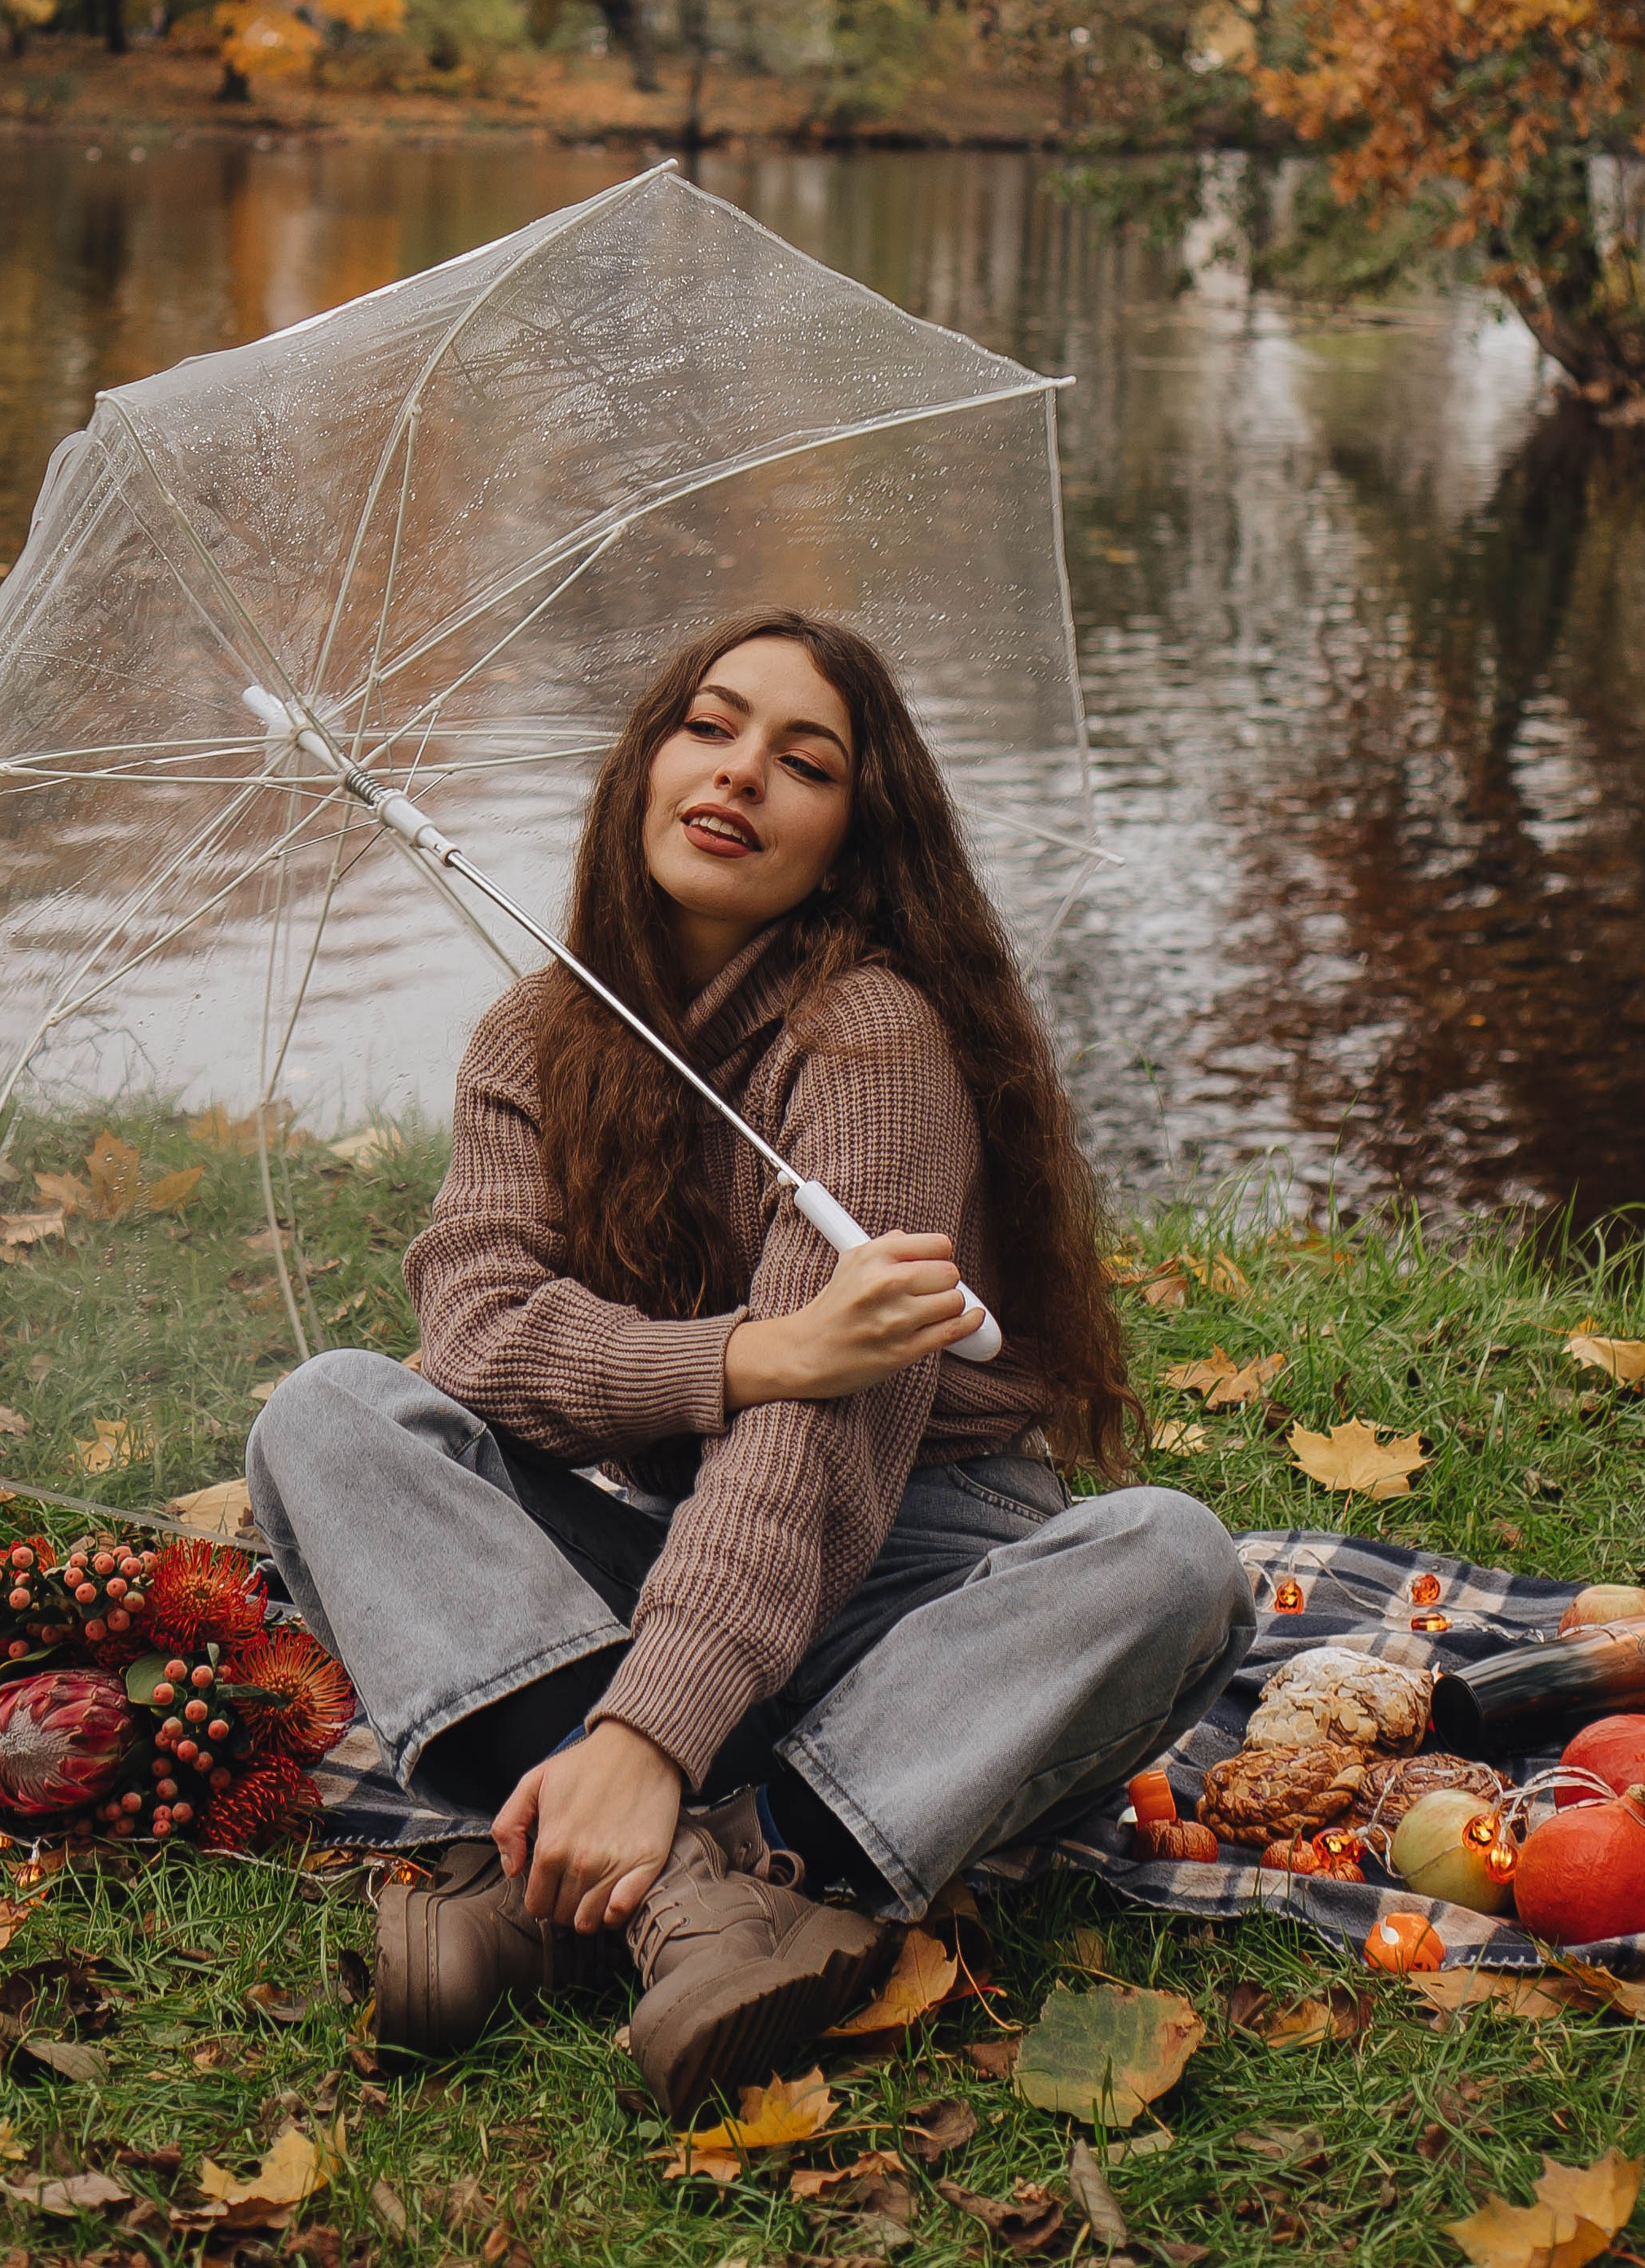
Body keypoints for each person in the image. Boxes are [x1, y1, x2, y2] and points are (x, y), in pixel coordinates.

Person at [248, 610, 1253, 2114]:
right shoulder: (534, 1038)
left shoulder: (870, 1038)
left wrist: (654, 1732)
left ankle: (717, 1853)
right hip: (663, 1555)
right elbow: (477, 1341)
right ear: (647, 764)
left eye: (804, 761)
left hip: (916, 1580)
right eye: (708, 728)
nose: (737, 777)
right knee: (329, 1412)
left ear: (854, 840)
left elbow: (814, 1460)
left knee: (1173, 1562)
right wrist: (749, 1356)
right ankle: (683, 1887)